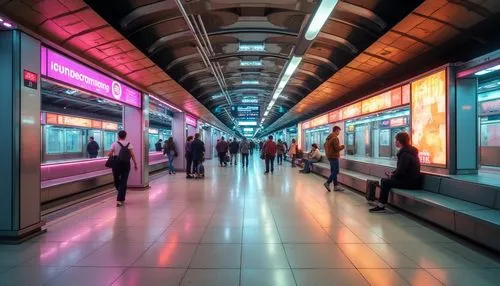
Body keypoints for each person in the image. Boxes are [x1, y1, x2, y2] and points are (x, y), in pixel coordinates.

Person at [370, 132, 421, 212]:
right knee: (384, 181)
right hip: (412, 180)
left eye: (396, 140)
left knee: (385, 182)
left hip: (411, 182)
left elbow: (401, 172)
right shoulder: (410, 152)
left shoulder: (405, 154)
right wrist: (393, 174)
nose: (395, 142)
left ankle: (381, 205)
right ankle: (381, 203)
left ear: (399, 141)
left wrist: (392, 176)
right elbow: (402, 170)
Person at [108, 130, 138, 207]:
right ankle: (121, 195)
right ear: (125, 136)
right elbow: (132, 154)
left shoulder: (114, 144)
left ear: (118, 136)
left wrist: (112, 154)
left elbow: (110, 154)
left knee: (116, 180)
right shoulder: (129, 144)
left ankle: (119, 199)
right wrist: (135, 163)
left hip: (116, 163)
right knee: (123, 181)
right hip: (126, 164)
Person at [324, 126, 345, 192]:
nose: (339, 133)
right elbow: (337, 148)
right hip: (334, 156)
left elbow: (324, 145)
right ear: (336, 130)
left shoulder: (328, 138)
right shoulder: (335, 138)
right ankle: (327, 183)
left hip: (329, 156)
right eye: (339, 131)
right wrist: (342, 146)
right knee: (336, 171)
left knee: (333, 171)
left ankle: (336, 186)